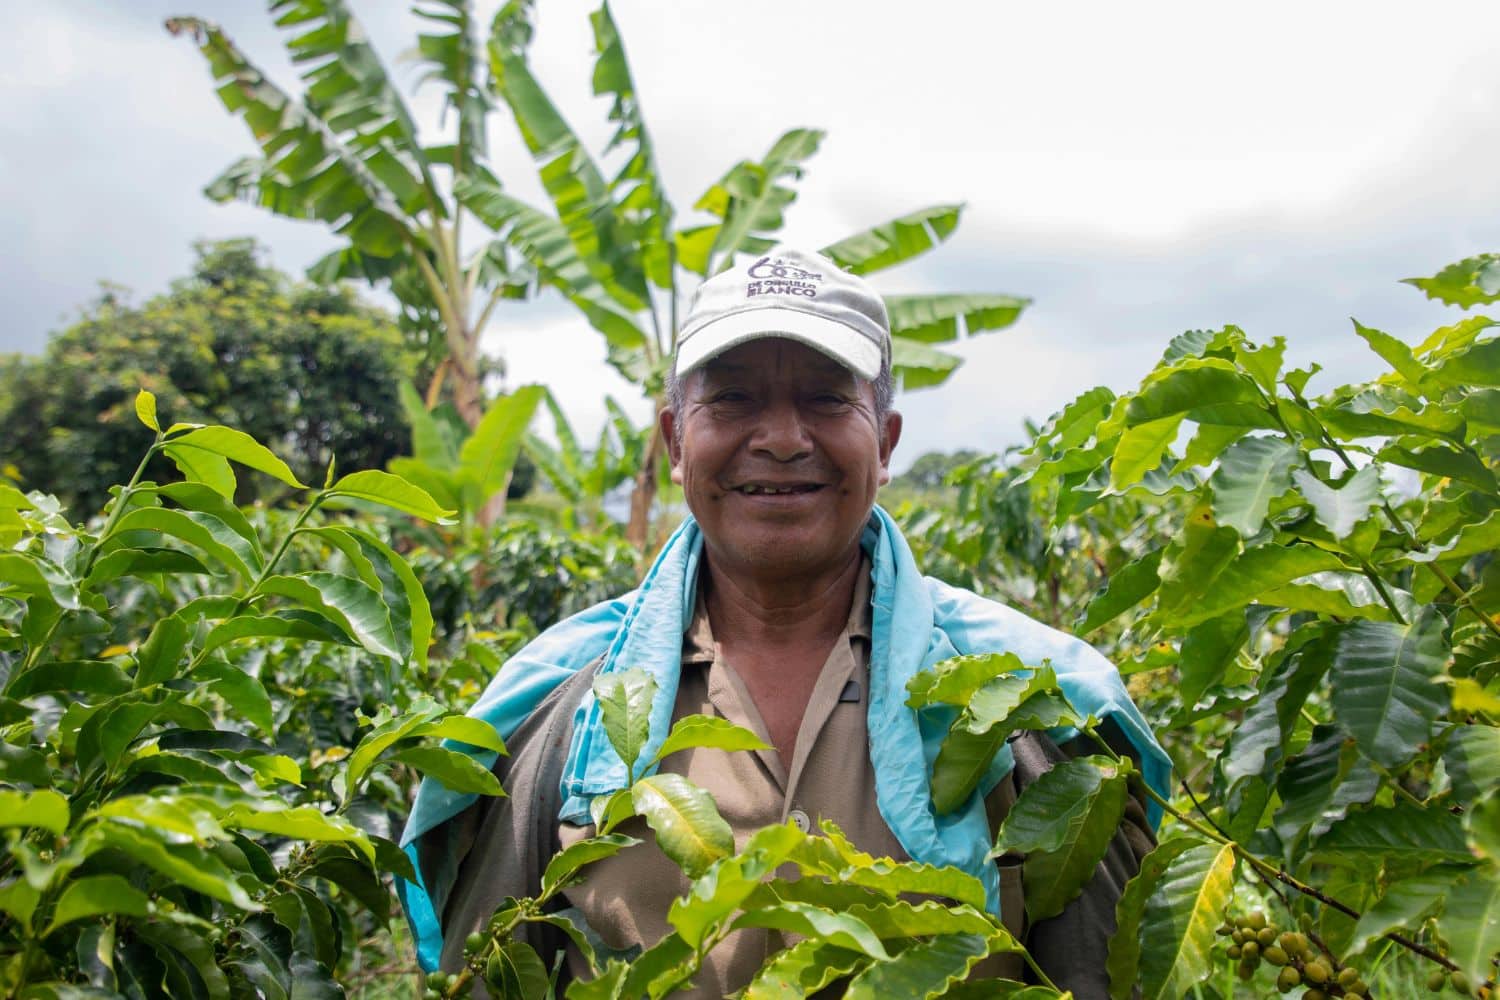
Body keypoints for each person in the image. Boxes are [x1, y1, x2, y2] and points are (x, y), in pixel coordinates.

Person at [399, 247, 1169, 998]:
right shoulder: (564, 715)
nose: (781, 439)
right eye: (731, 399)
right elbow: (493, 971)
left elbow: (1093, 974)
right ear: (675, 440)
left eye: (827, 400)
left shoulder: (1033, 706)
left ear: (887, 441)